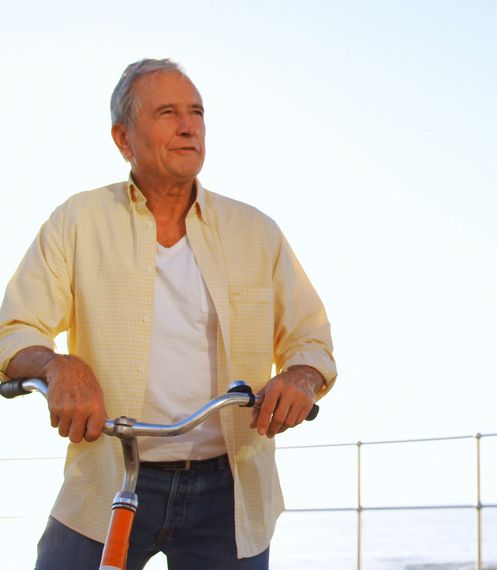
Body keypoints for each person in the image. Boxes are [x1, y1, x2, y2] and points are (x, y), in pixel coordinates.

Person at [0, 59, 336, 568]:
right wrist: (56, 365)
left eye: (196, 112)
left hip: (231, 485)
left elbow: (311, 338)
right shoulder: (78, 219)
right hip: (109, 472)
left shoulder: (256, 231)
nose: (188, 125)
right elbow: (15, 328)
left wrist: (302, 378)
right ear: (123, 137)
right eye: (167, 112)